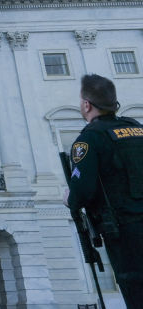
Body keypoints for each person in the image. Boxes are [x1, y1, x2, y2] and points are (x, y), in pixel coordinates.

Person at [66, 73, 143, 308]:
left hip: (126, 230)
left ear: (87, 104)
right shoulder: (137, 129)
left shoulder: (89, 139)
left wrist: (70, 198)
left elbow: (82, 190)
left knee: (136, 288)